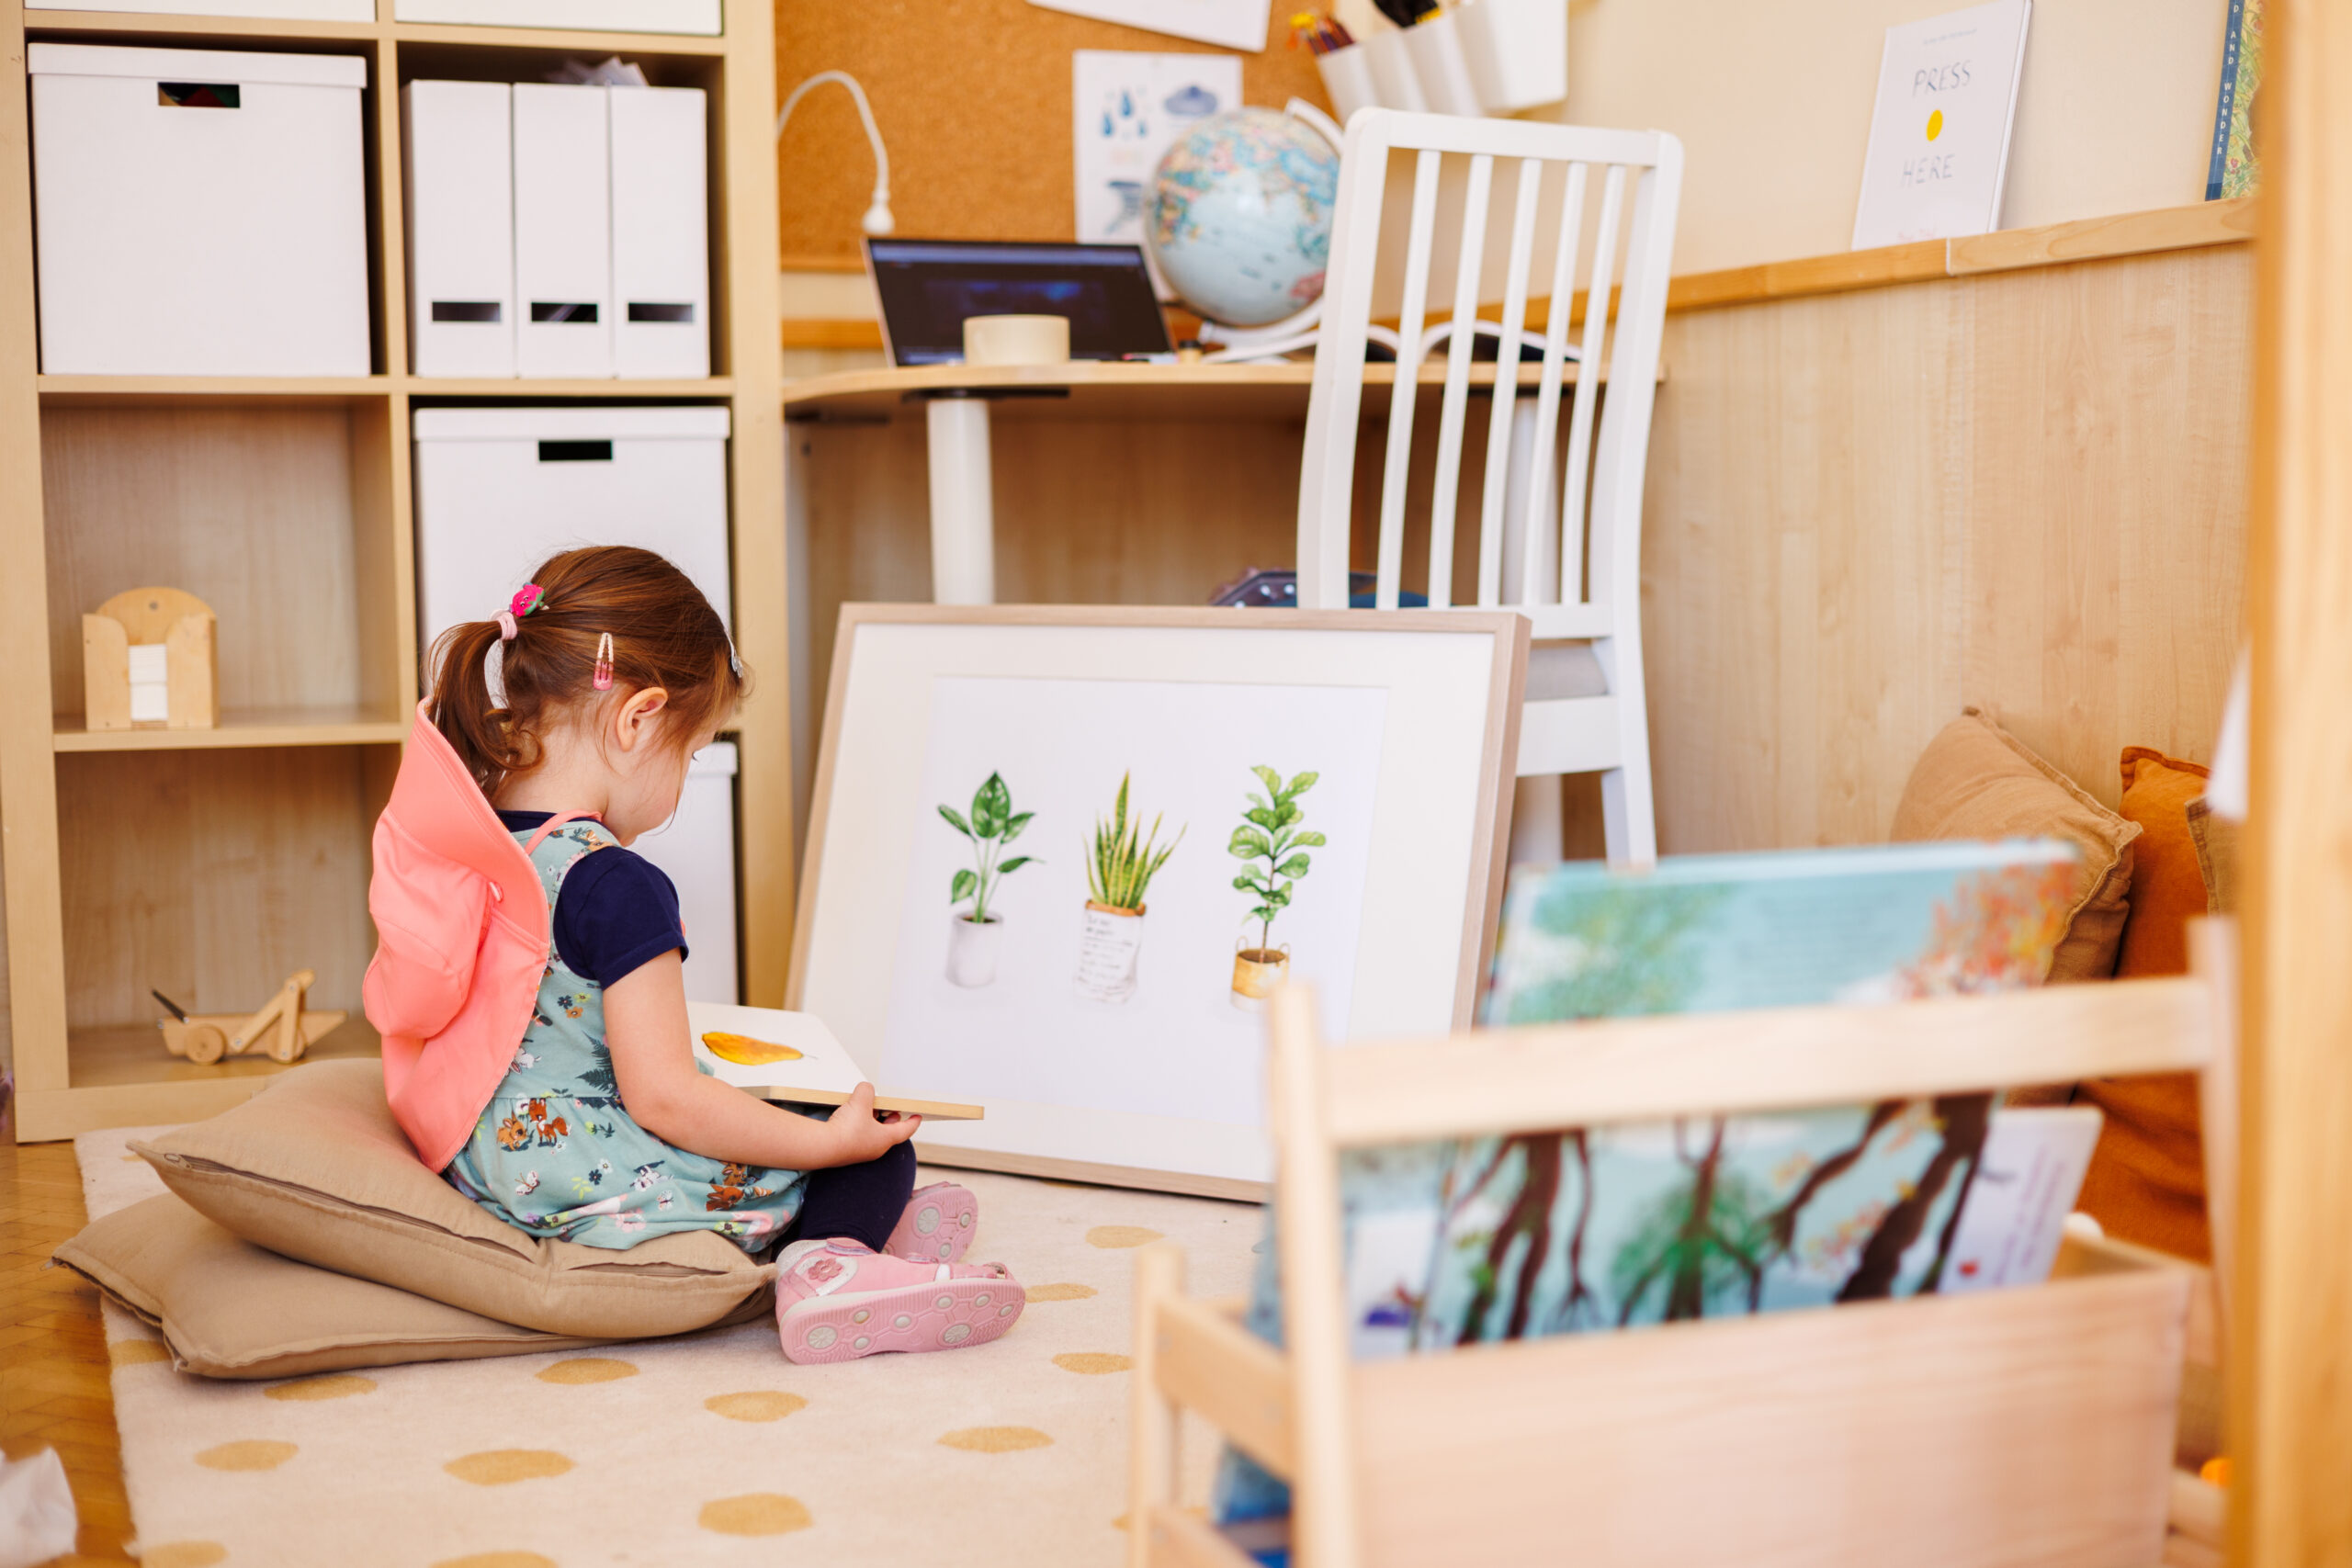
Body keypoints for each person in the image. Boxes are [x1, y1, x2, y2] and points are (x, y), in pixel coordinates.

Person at [374, 545, 1021, 1363]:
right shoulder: (615, 882)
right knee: (869, 1140)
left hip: (486, 1161)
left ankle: (872, 1241)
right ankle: (832, 1263)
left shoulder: (470, 836)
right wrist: (830, 1144)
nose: (684, 778)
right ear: (637, 719)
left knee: (808, 1122)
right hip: (590, 1178)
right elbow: (667, 1098)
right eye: (693, 751)